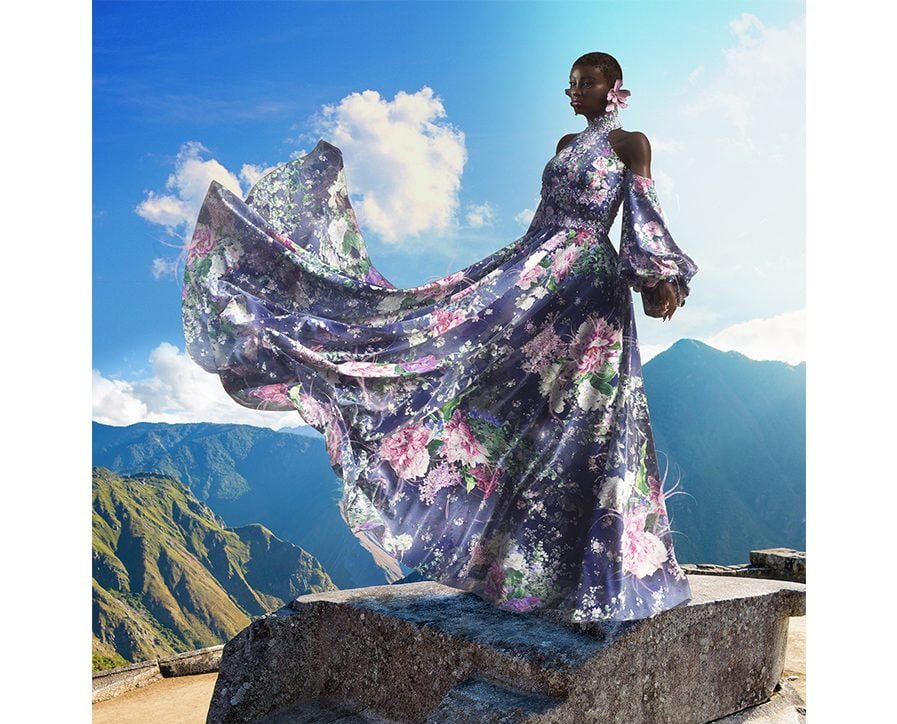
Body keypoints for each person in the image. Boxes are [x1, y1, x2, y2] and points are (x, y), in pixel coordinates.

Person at [181, 51, 699, 624]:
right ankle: (521, 568)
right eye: (570, 83)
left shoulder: (631, 145)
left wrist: (657, 277)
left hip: (590, 289)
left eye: (586, 82)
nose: (573, 91)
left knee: (587, 417)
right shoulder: (563, 146)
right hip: (539, 273)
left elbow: (643, 215)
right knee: (480, 367)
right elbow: (543, 219)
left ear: (614, 87)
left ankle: (598, 574)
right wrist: (509, 272)